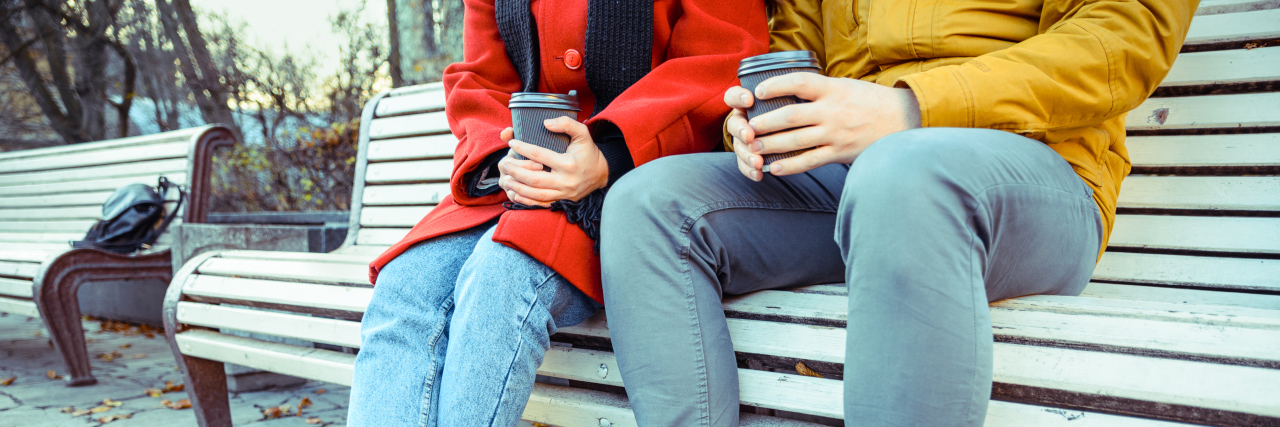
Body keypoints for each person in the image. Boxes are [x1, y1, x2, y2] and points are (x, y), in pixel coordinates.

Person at [598, 0, 1198, 425]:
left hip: (1033, 173)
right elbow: (795, 50)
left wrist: (912, 109)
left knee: (904, 175)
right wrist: (765, 122)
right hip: (854, 179)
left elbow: (1125, 35)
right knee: (649, 205)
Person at [345, 1, 768, 425]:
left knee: (501, 277)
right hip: (512, 182)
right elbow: (479, 77)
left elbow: (720, 56)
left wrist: (608, 156)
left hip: (635, 181)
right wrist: (503, 158)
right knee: (406, 284)